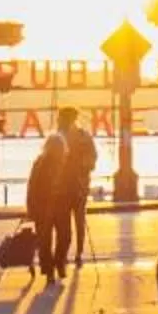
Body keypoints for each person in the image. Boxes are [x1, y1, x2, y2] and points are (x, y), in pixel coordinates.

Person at [26, 133, 76, 280]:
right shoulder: (40, 163)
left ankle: (58, 263)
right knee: (45, 240)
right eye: (56, 147)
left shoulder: (66, 163)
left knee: (65, 237)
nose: (59, 151)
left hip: (61, 206)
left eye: (60, 147)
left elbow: (72, 183)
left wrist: (74, 198)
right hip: (44, 206)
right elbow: (33, 185)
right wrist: (31, 206)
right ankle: (49, 270)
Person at [56, 105, 98, 264]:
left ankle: (74, 253)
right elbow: (93, 158)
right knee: (74, 222)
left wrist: (82, 167)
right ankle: (75, 254)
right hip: (74, 186)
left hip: (71, 187)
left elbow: (92, 158)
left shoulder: (65, 137)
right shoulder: (82, 136)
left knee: (69, 223)